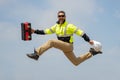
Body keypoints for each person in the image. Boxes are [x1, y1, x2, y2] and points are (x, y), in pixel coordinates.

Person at [27, 11, 102, 66]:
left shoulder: (69, 26)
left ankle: (36, 54)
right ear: (58, 17)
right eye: (59, 16)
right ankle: (92, 52)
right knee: (76, 62)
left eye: (62, 16)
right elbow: (46, 31)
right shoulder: (56, 26)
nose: (61, 17)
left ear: (65, 17)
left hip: (68, 46)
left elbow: (80, 32)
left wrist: (89, 40)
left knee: (51, 42)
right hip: (64, 48)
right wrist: (34, 31)